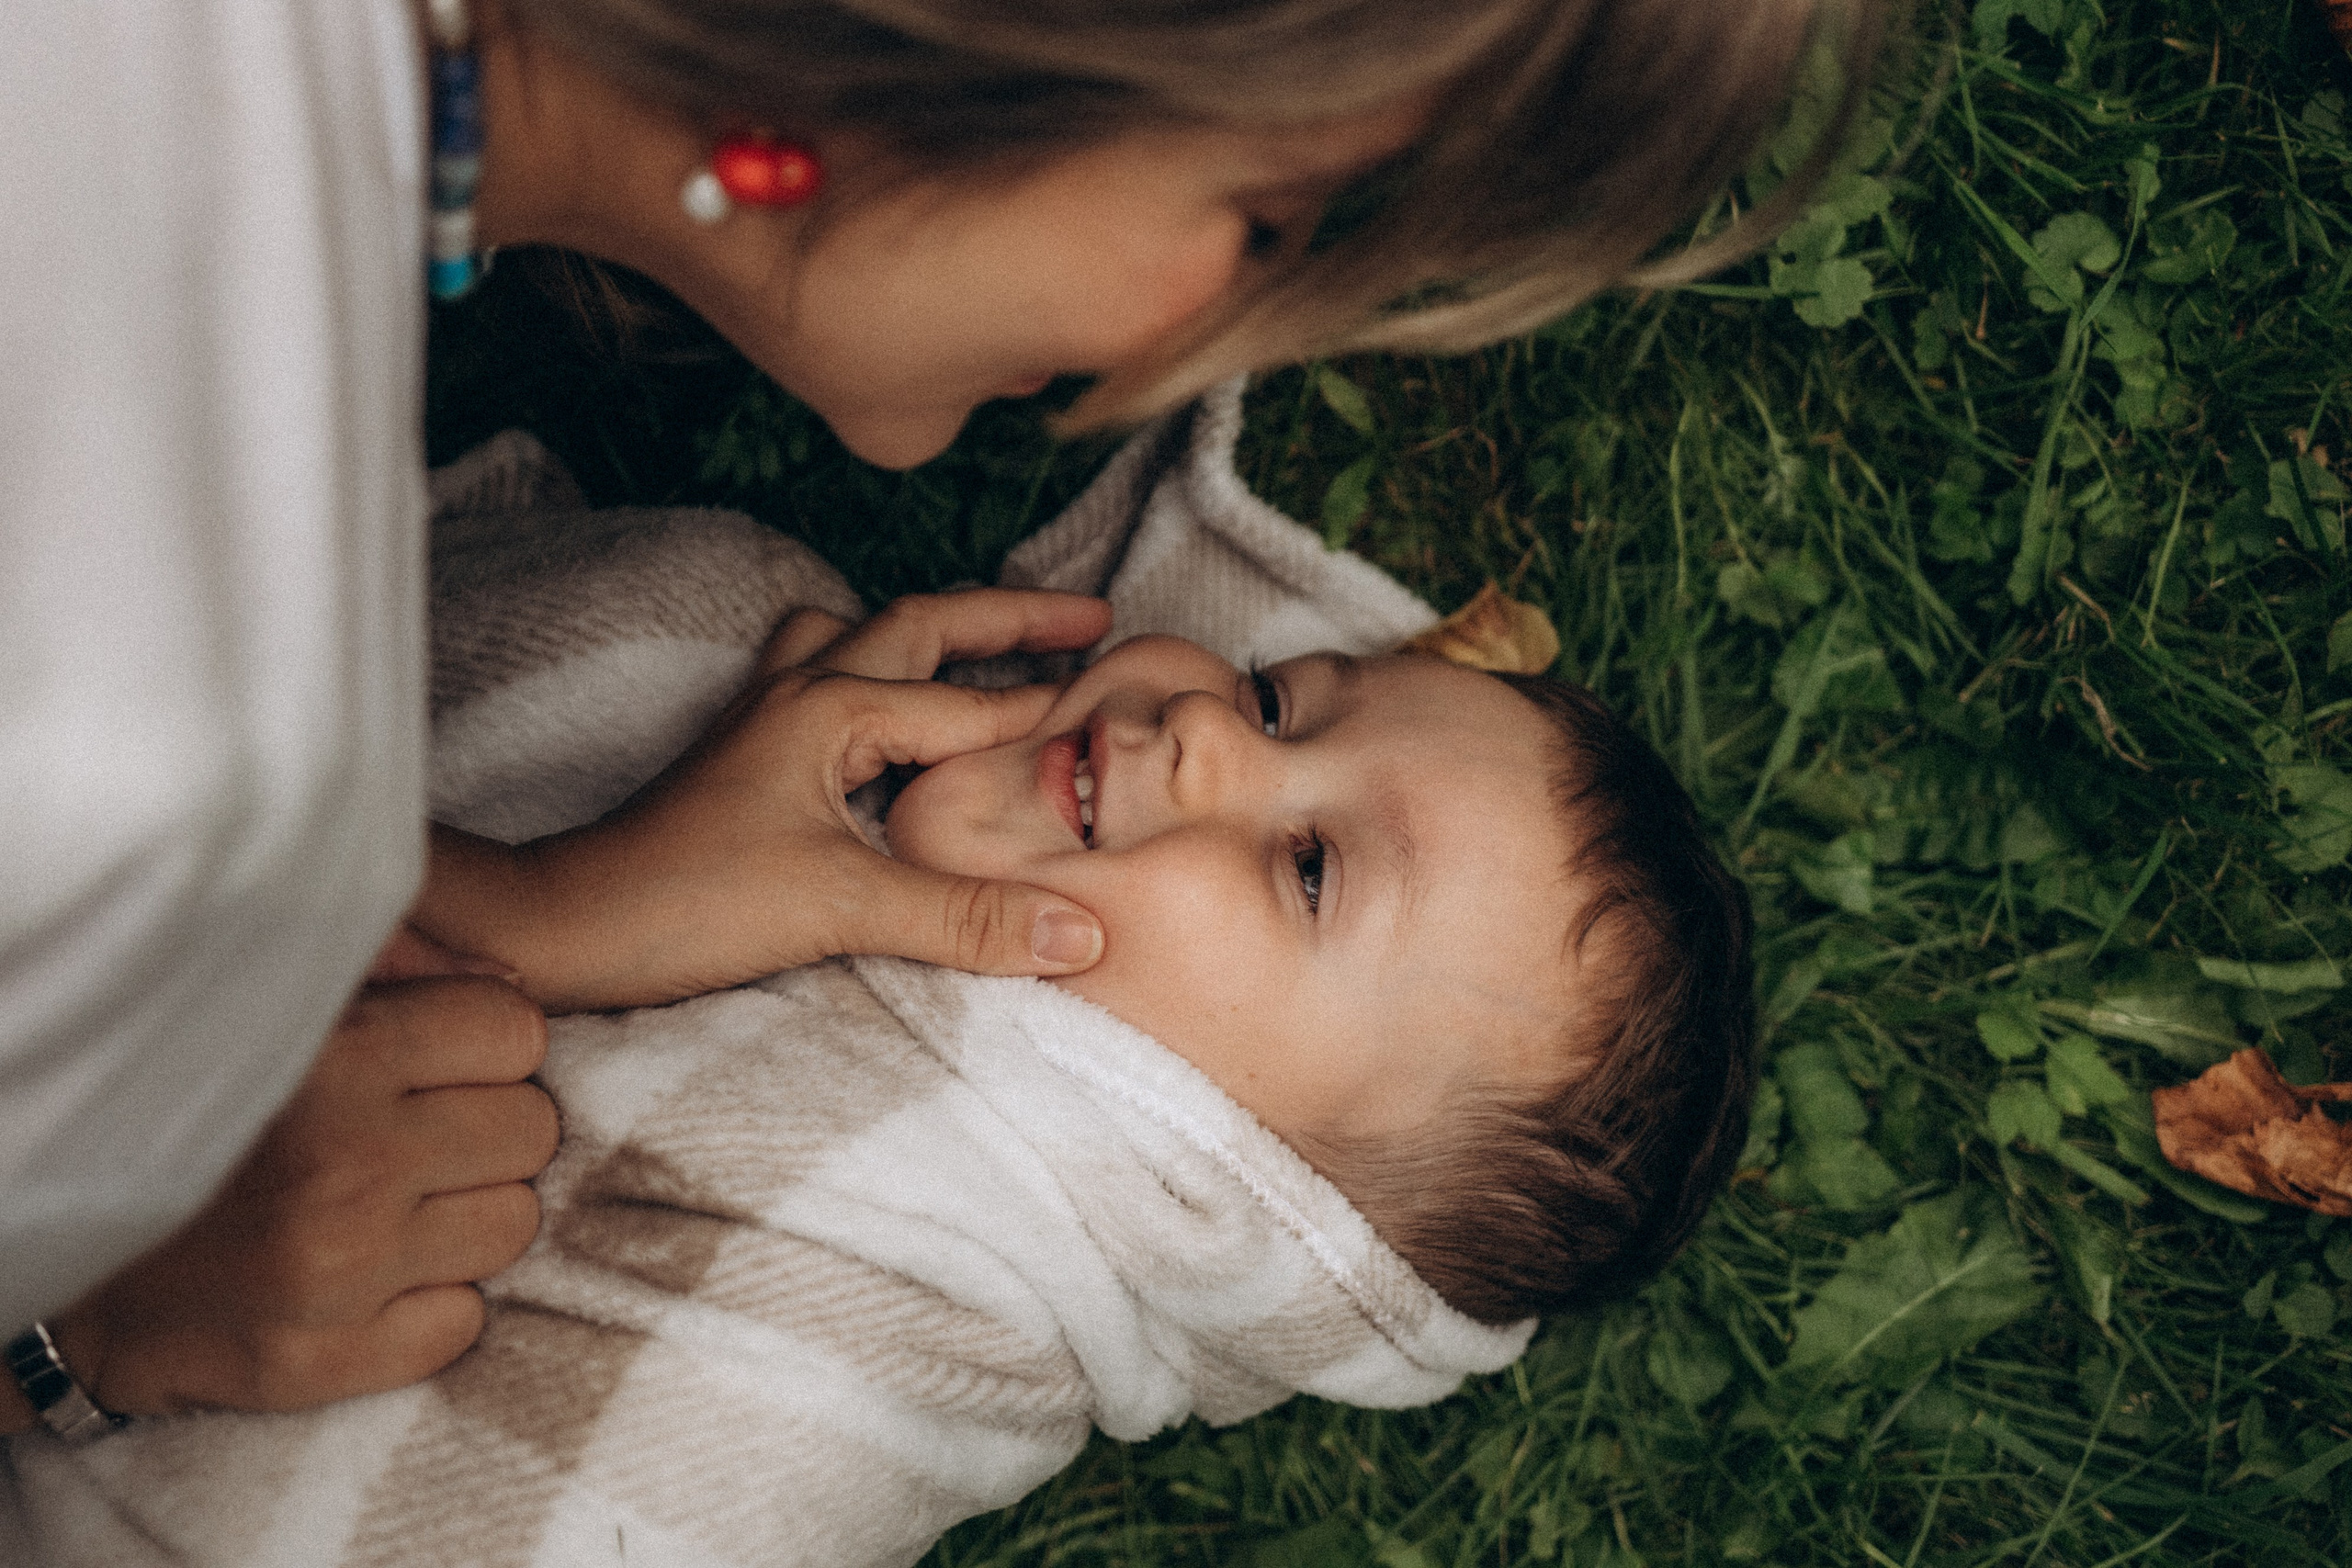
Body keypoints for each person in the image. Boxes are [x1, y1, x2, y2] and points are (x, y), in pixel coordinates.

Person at [0, 0, 1870, 1434]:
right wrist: (82, 1323)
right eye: (1267, 222)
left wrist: (550, 904)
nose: (1222, 340)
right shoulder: (137, 723)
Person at [4, 592, 1751, 1568]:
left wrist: (61, 1338)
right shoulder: (795, 686)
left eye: (1310, 872)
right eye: (1294, 697)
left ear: (1254, 1200)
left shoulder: (858, 1353)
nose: (1215, 730)